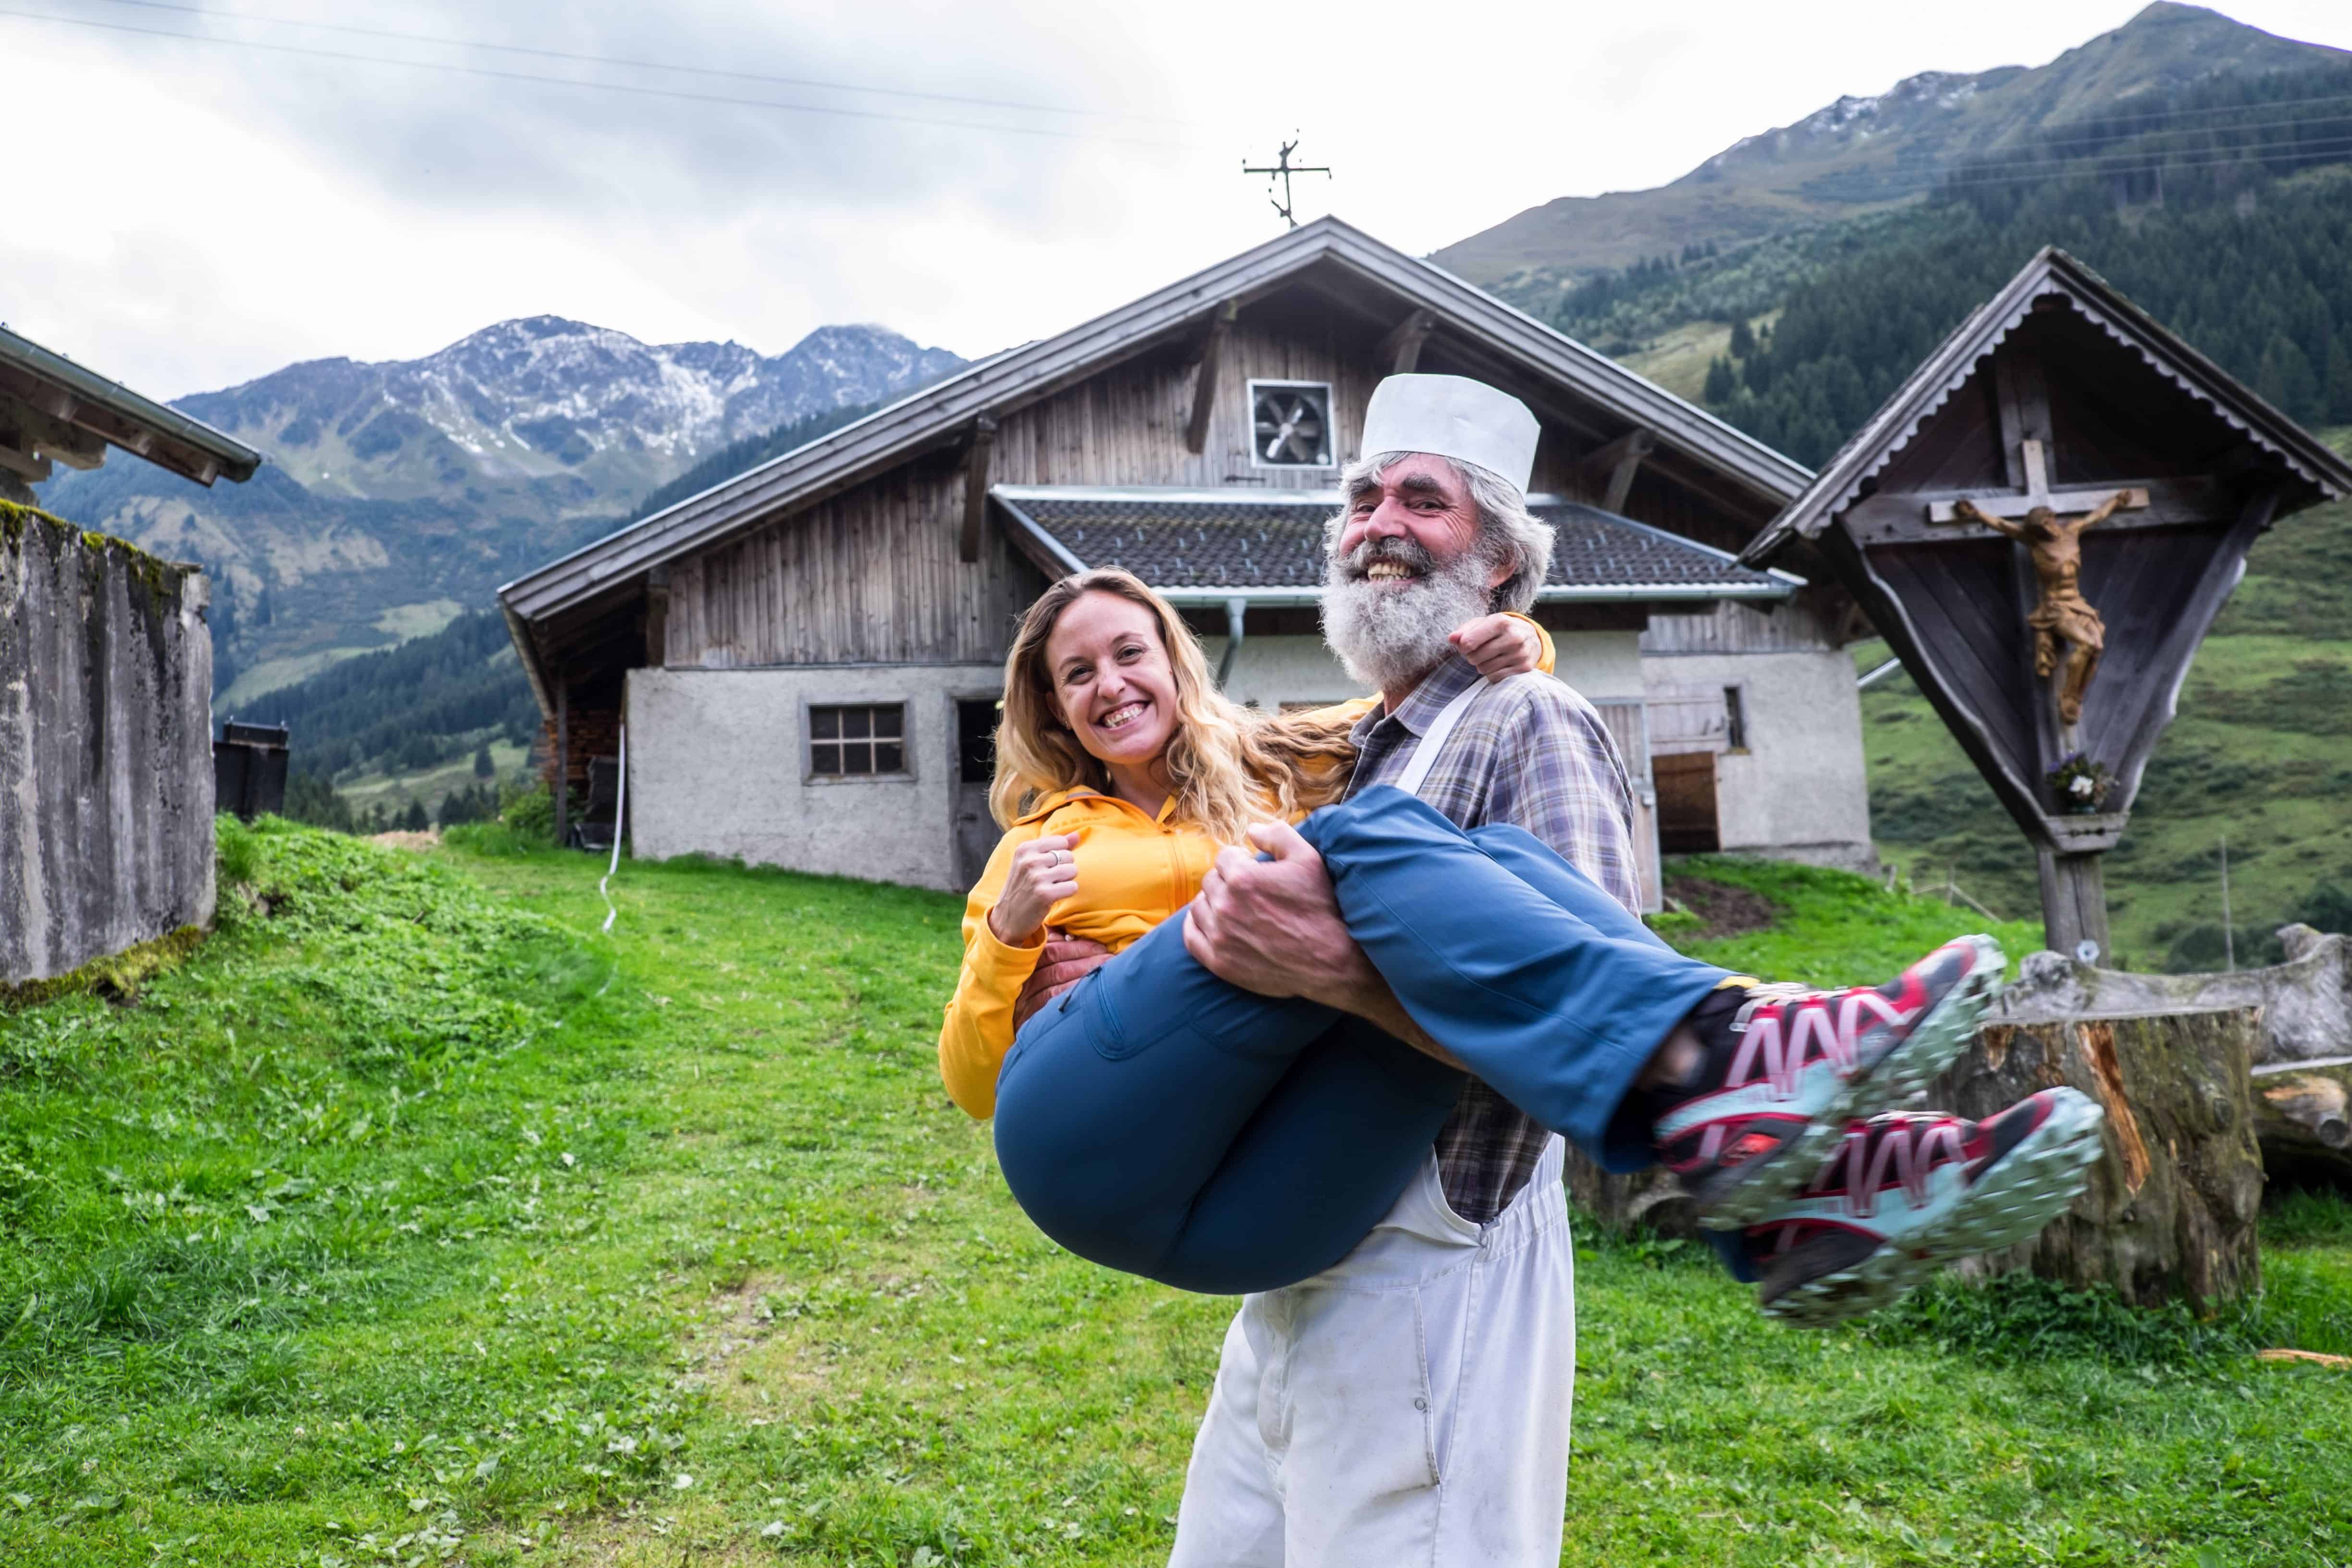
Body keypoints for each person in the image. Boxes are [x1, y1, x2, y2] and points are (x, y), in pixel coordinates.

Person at [943, 374, 2103, 1564]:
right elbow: (977, 1066)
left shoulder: (1468, 726)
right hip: (1193, 1170)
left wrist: (1339, 966)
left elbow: (1573, 969)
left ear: (1497, 562)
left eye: (1422, 499)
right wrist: (1012, 949)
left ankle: (1780, 1162)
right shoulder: (1156, 815)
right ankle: (1756, 1103)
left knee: (1424, 854)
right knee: (1367, 840)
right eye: (1361, 499)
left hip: (1381, 1233)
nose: (1378, 522)